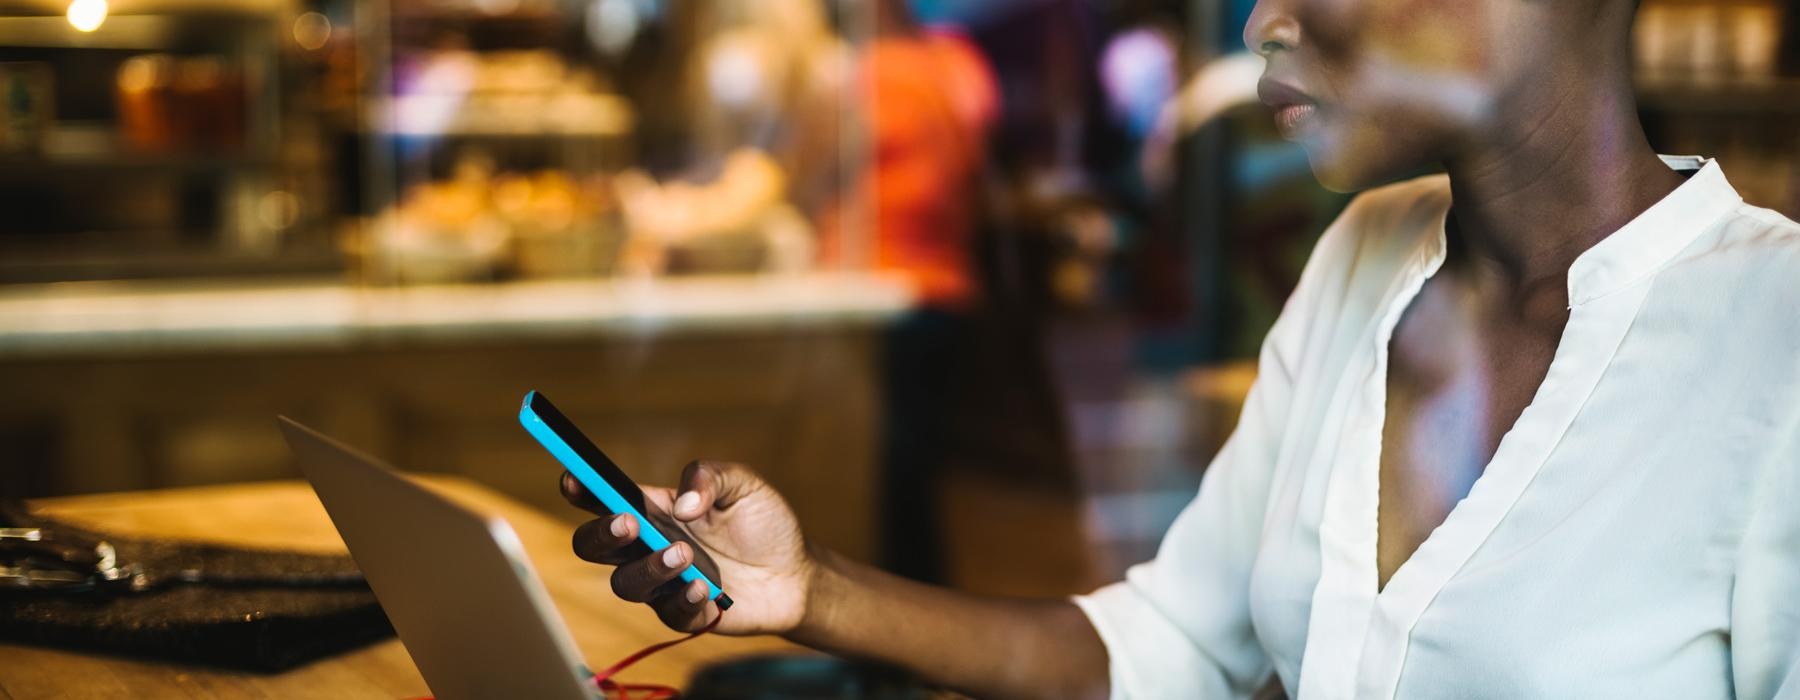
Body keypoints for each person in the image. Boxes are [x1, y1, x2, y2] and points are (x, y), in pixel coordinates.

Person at [559, 0, 1800, 694]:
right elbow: (1170, 645)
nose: (1264, 17)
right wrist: (808, 589)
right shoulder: (1366, 253)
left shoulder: (1773, 340)